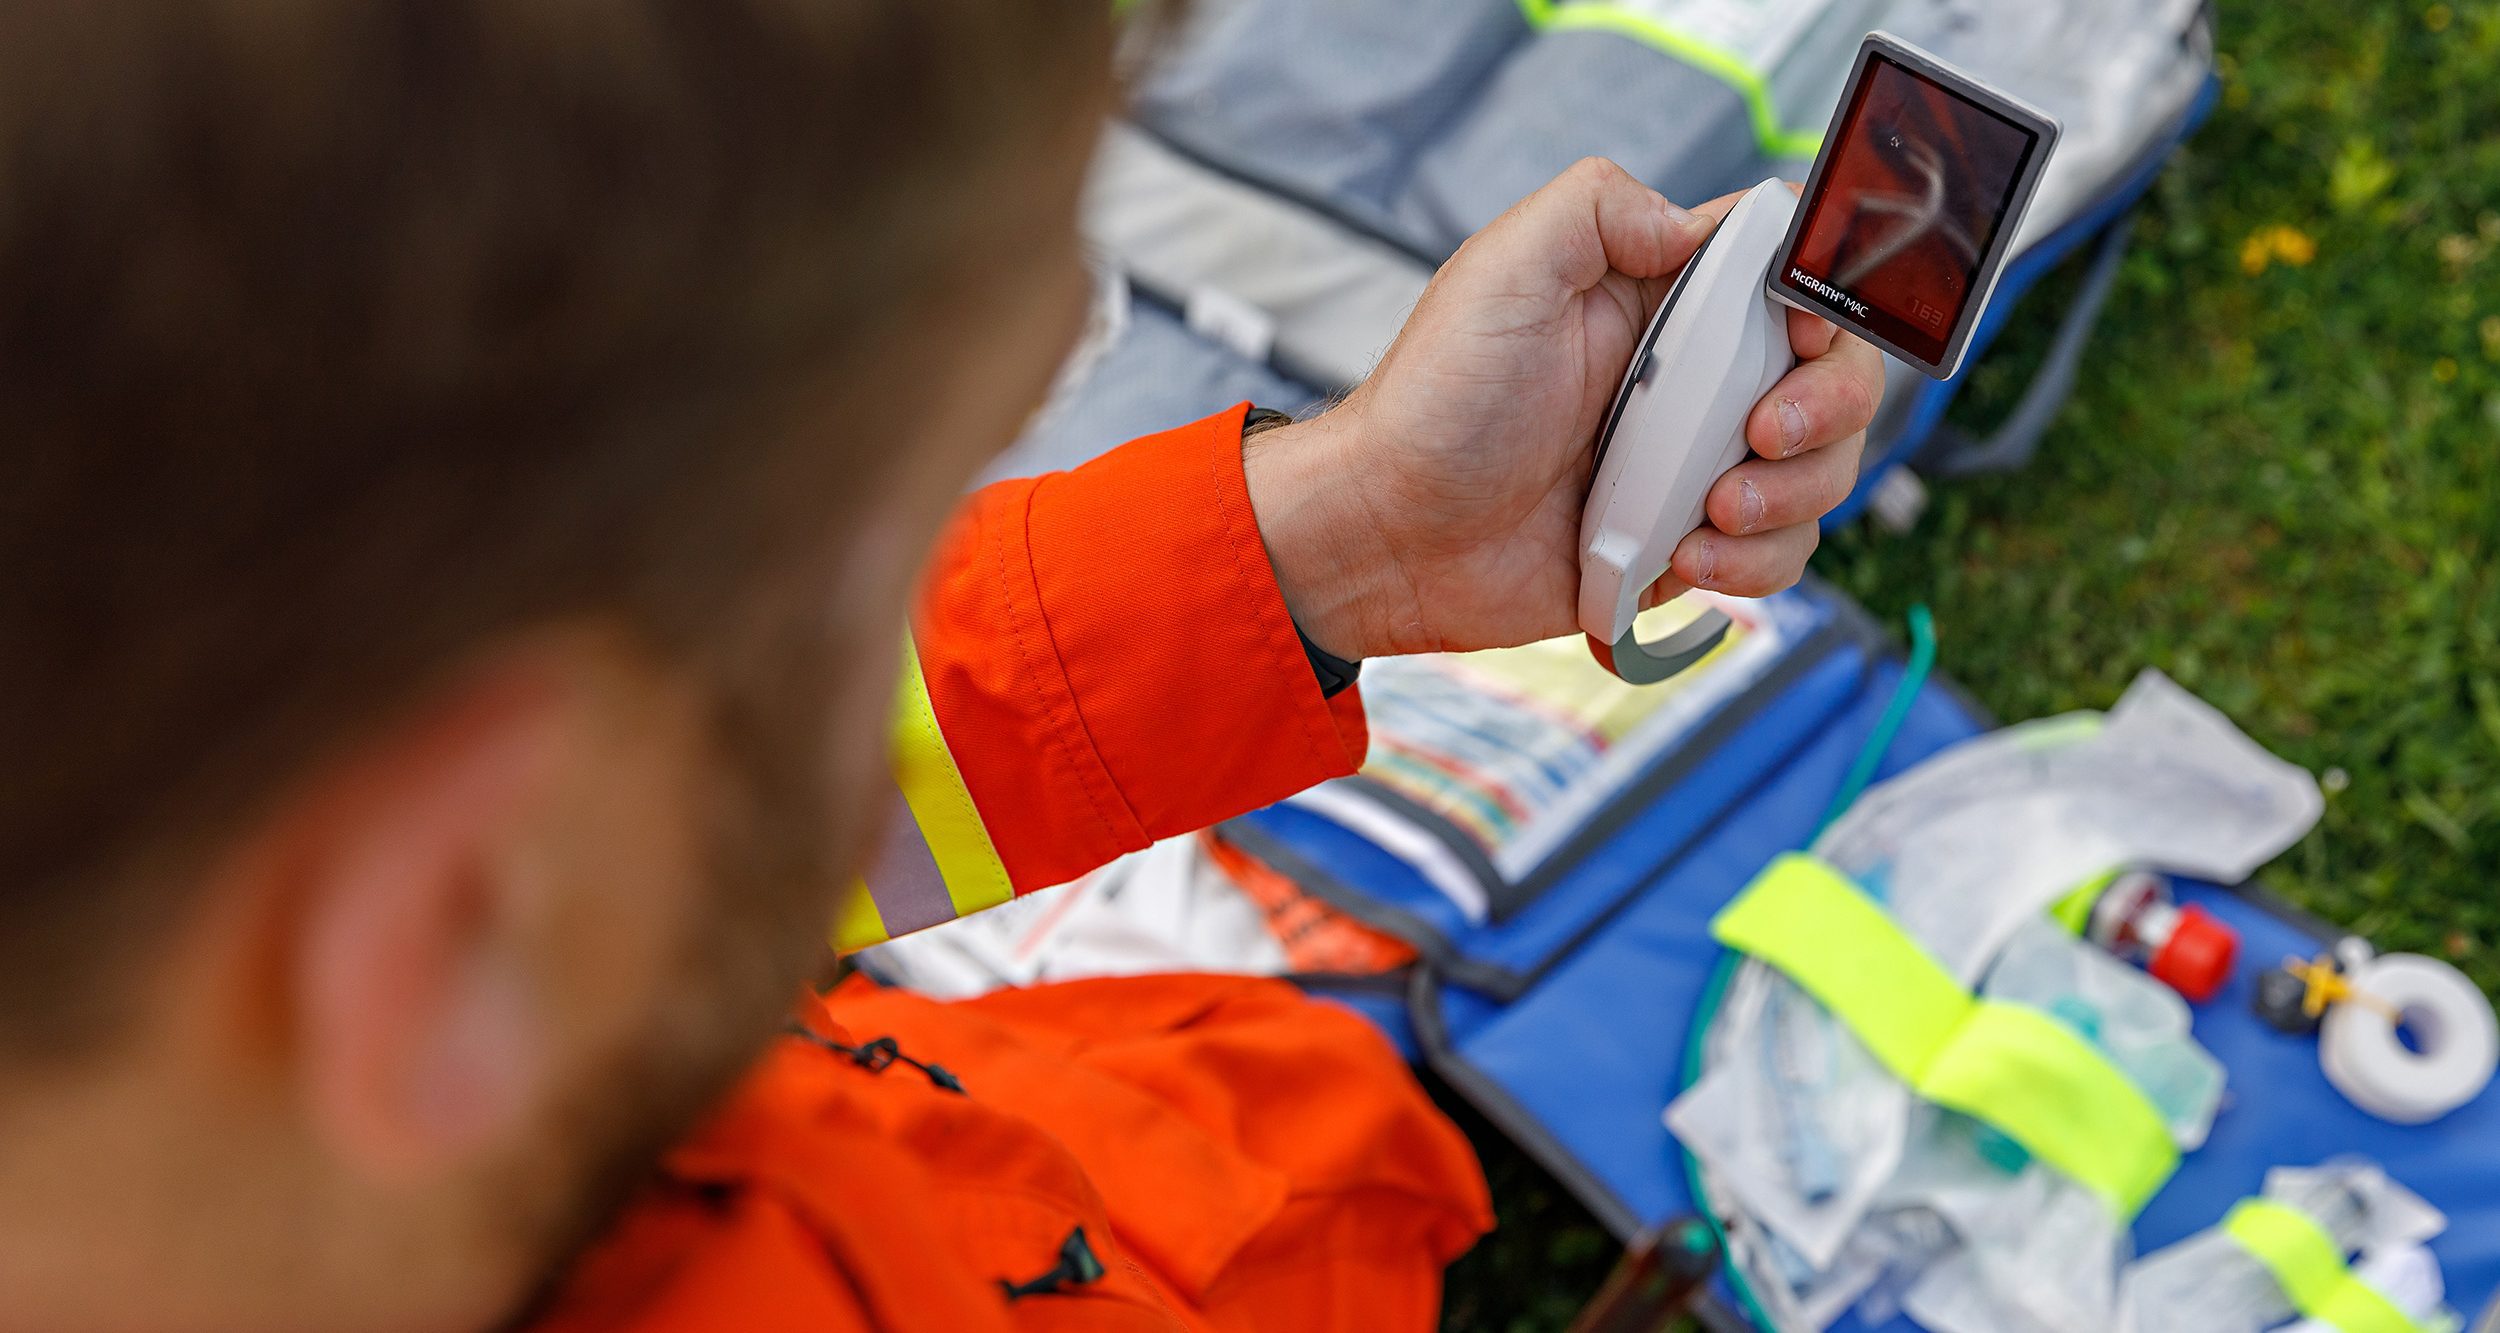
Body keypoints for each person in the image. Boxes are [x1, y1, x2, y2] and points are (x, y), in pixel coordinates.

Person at [0, 3, 1882, 1330]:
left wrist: (1330, 541)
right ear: (458, 912)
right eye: (912, 520)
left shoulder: (238, 911)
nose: (929, 600)